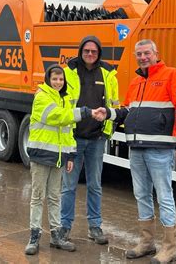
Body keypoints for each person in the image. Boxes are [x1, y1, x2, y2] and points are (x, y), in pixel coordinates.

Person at [95, 39, 176, 263]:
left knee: (164, 196)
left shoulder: (172, 75)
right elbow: (128, 109)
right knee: (141, 194)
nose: (143, 57)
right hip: (137, 148)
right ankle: (147, 243)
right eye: (139, 54)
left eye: (146, 53)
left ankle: (169, 248)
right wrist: (108, 113)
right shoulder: (137, 80)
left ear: (156, 54)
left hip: (160, 149)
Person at [25, 64, 96, 255]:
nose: (58, 82)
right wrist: (85, 112)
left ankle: (56, 236)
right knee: (38, 197)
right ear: (48, 79)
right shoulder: (42, 97)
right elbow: (58, 117)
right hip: (41, 155)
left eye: (61, 79)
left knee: (55, 197)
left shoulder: (64, 99)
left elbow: (68, 131)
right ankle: (34, 237)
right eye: (54, 78)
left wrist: (70, 155)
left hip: (58, 157)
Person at [60, 35, 119, 245]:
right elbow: (61, 102)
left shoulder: (108, 74)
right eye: (87, 51)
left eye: (94, 51)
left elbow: (115, 104)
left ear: (99, 53)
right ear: (80, 51)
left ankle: (94, 227)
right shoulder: (69, 72)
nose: (90, 54)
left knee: (95, 185)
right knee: (69, 186)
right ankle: (64, 227)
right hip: (73, 139)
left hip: (96, 139)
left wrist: (106, 131)